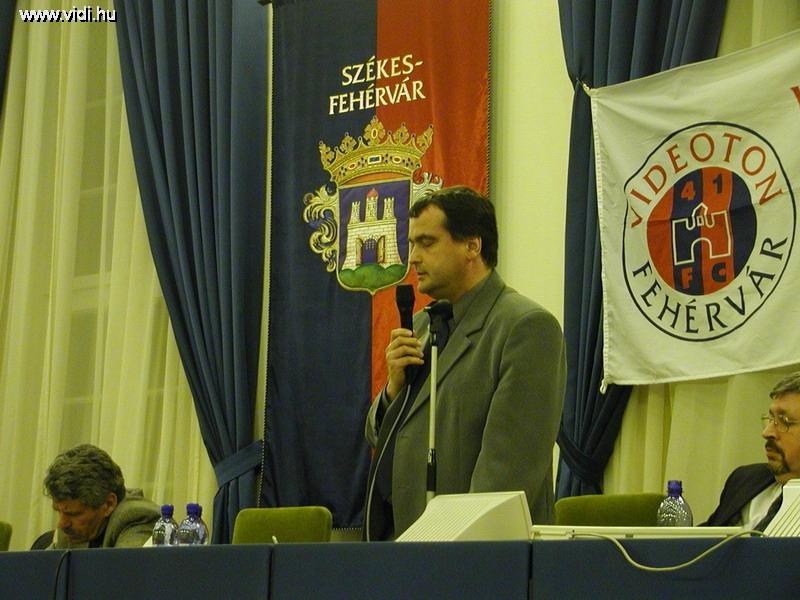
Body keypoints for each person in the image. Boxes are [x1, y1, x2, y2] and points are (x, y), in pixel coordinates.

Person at [362, 185, 566, 540]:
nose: (413, 258)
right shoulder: (423, 325)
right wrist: (394, 389)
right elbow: (379, 435)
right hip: (406, 546)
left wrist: (457, 548)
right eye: (412, 244)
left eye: (427, 243)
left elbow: (506, 473)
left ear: (472, 246)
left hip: (473, 552)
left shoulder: (525, 327)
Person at [703, 372, 800, 531]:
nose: (767, 432)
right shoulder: (745, 481)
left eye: (784, 421)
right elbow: (703, 539)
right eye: (770, 419)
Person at [30, 443, 161, 549]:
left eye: (74, 514)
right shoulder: (71, 529)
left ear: (109, 504)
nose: (62, 524)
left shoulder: (137, 518)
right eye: (58, 511)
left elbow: (123, 571)